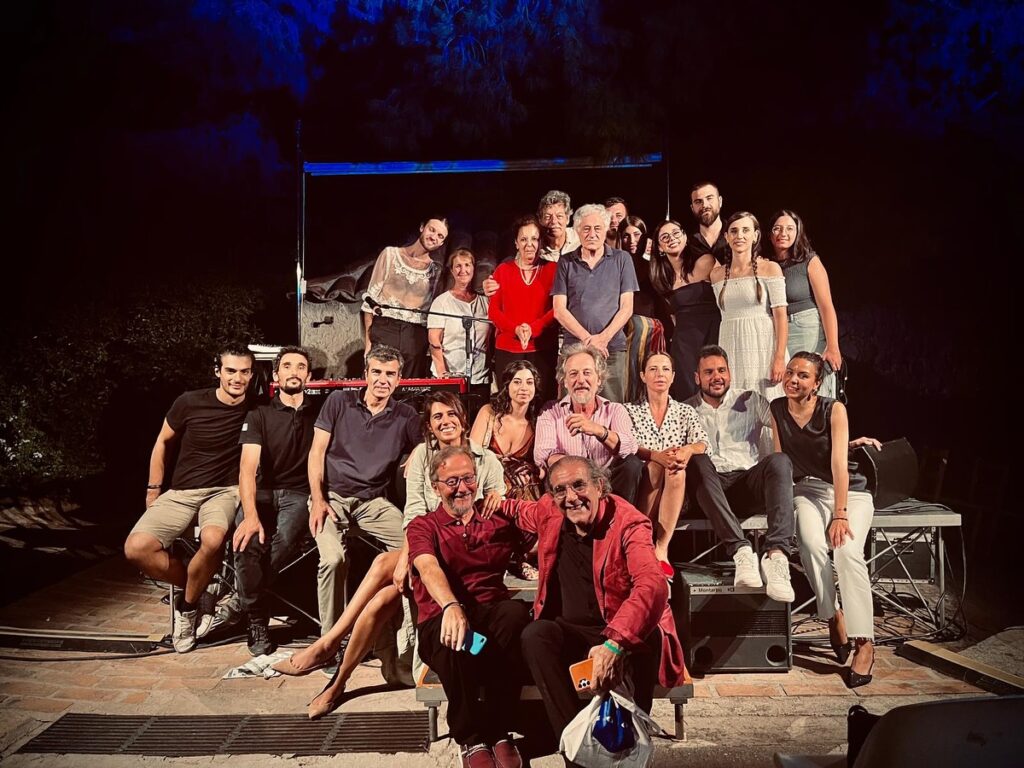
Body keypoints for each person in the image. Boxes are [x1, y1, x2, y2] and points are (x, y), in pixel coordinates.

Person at [274, 391, 504, 719]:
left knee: (383, 562)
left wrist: (496, 495)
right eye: (437, 417)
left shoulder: (486, 460)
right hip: (427, 547)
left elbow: (492, 514)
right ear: (429, 426)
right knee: (383, 598)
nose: (446, 422)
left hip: (465, 554)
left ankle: (329, 647)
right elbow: (414, 513)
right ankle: (336, 682)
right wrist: (410, 554)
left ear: (463, 420)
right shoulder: (423, 456)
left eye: (451, 414)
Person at [515, 456, 687, 749]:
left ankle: (629, 744)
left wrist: (615, 643)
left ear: (599, 486)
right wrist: (484, 503)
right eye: (560, 490)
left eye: (579, 485)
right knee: (535, 635)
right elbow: (516, 510)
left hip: (622, 634)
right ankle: (577, 748)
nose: (571, 497)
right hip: (572, 633)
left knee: (649, 636)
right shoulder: (551, 511)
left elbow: (652, 584)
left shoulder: (629, 522)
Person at [124, 343, 254, 653]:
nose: (237, 378)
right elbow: (162, 443)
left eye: (245, 372)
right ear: (217, 371)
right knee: (136, 549)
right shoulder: (189, 402)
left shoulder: (256, 409)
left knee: (213, 539)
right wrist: (153, 490)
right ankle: (199, 585)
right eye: (231, 371)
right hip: (182, 491)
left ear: (252, 374)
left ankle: (187, 608)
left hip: (224, 490)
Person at [406, 446, 531, 768]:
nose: (462, 488)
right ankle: (471, 737)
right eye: (452, 481)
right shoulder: (424, 526)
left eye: (468, 479)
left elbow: (544, 526)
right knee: (455, 640)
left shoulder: (495, 520)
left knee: (515, 615)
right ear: (435, 487)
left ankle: (500, 731)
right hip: (441, 616)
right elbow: (427, 566)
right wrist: (450, 604)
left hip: (491, 614)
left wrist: (509, 503)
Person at [770, 352, 878, 688]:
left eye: (803, 375)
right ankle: (832, 615)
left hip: (850, 492)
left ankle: (864, 642)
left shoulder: (834, 409)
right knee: (811, 544)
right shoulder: (776, 408)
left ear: (817, 383)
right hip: (807, 491)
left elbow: (839, 466)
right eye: (790, 372)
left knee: (846, 552)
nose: (793, 379)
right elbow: (781, 463)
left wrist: (840, 514)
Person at [307, 345, 420, 641]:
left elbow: (429, 443)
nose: (383, 380)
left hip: (374, 502)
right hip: (331, 497)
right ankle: (329, 641)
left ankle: (395, 635)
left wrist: (418, 450)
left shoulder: (406, 415)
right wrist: (317, 500)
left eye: (390, 374)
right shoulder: (338, 401)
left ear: (399, 379)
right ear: (366, 374)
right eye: (377, 372)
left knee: (418, 550)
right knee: (333, 559)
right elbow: (316, 452)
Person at [683, 345, 796, 601]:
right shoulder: (685, 409)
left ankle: (777, 555)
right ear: (697, 378)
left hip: (745, 484)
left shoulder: (750, 399)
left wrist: (841, 442)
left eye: (721, 370)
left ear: (730, 373)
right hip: (708, 491)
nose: (717, 377)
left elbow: (788, 424)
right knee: (698, 458)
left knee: (779, 461)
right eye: (709, 372)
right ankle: (741, 550)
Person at [231, 346, 316, 656]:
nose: (294, 371)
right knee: (247, 542)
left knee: (285, 541)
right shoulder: (259, 414)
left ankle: (243, 602)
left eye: (301, 367)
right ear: (276, 375)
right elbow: (247, 469)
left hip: (300, 494)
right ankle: (257, 621)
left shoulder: (321, 413)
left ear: (309, 376)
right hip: (263, 491)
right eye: (287, 366)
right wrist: (251, 515)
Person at [625, 352, 709, 566]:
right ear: (643, 376)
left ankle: (662, 548)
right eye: (653, 369)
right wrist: (656, 457)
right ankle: (640, 541)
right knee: (655, 466)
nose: (659, 374)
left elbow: (703, 443)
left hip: (677, 491)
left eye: (665, 369)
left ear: (673, 377)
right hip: (642, 488)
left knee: (676, 469)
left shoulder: (685, 411)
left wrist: (687, 450)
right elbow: (627, 446)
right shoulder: (629, 410)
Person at [551, 204, 639, 403]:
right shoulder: (565, 262)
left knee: (612, 408)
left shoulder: (622, 259)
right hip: (574, 349)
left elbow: (627, 308)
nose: (592, 234)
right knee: (571, 408)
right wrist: (589, 340)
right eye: (586, 228)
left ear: (606, 229)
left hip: (612, 349)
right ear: (577, 231)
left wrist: (603, 339)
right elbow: (559, 310)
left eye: (597, 228)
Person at [534, 343, 642, 504]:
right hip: (570, 484)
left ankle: (616, 516)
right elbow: (544, 456)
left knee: (632, 464)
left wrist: (599, 431)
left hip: (611, 485)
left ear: (599, 379)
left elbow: (630, 447)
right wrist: (582, 474)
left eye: (587, 373)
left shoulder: (615, 410)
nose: (580, 380)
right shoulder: (550, 411)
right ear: (564, 382)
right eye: (573, 374)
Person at [710, 211, 788, 399]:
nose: (739, 236)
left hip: (763, 345)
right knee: (735, 403)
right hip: (731, 345)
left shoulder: (770, 268)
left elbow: (781, 317)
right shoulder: (716, 275)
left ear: (755, 235)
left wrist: (779, 357)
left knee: (768, 401)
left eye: (746, 230)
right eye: (734, 231)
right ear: (726, 237)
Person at [766, 209, 842, 398]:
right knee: (784, 390)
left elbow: (826, 306)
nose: (783, 233)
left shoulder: (809, 260)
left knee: (811, 386)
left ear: (798, 232)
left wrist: (833, 346)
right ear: (769, 234)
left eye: (790, 228)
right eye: (777, 228)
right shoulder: (765, 265)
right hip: (775, 332)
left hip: (806, 329)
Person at [361, 218, 448, 378]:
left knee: (410, 388)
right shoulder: (390, 254)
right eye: (432, 230)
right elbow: (369, 302)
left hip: (415, 336)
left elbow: (433, 311)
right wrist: (368, 344)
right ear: (422, 227)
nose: (434, 237)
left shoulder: (435, 271)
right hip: (385, 328)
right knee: (380, 382)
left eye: (440, 236)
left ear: (441, 243)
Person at [486, 215, 558, 403]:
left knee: (542, 404)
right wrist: (515, 329)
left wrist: (535, 328)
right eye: (524, 239)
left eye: (534, 239)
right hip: (508, 349)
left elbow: (557, 309)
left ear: (540, 242)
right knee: (509, 404)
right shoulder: (503, 270)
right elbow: (493, 311)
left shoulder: (552, 269)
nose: (529, 244)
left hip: (542, 349)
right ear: (516, 243)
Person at [650, 218, 720, 401]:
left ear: (685, 237)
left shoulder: (706, 262)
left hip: (713, 333)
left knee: (714, 386)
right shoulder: (662, 278)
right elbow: (672, 315)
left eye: (676, 233)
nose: (671, 238)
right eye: (665, 237)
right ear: (659, 247)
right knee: (688, 391)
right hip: (684, 344)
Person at [470, 360, 545, 503]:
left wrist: (532, 469)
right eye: (517, 382)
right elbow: (472, 456)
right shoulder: (488, 413)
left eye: (529, 383)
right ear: (507, 386)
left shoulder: (539, 421)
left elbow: (544, 469)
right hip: (488, 488)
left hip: (524, 494)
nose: (524, 388)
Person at [427, 247, 491, 402]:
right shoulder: (441, 302)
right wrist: (443, 375)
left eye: (467, 265)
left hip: (479, 378)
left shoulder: (485, 302)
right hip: (450, 378)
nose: (463, 270)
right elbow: (434, 341)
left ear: (474, 268)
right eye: (458, 266)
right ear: (451, 270)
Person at [685, 181, 729, 265]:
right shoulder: (686, 242)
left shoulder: (736, 234)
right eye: (698, 201)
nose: (704, 205)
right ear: (692, 208)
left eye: (709, 198)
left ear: (720, 201)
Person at [536, 189, 580, 263]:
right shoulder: (534, 246)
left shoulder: (580, 238)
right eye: (548, 217)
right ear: (540, 220)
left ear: (567, 219)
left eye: (559, 216)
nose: (554, 221)